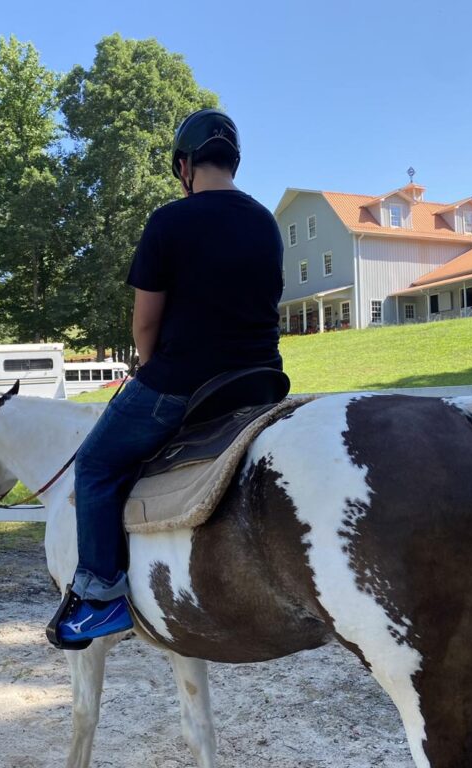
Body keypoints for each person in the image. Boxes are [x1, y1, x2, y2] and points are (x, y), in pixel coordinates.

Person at [50, 109, 285, 647]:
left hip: (184, 382)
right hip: (259, 381)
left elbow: (145, 323)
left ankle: (101, 595)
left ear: (184, 165)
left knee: (96, 464)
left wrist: (148, 368)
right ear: (232, 161)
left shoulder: (169, 222)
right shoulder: (265, 222)